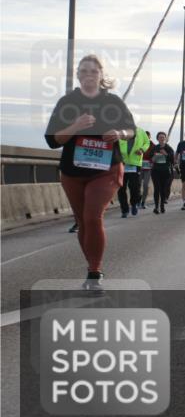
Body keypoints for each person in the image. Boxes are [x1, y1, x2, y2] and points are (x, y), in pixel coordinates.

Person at [44, 54, 136, 291]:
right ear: (77, 75)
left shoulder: (113, 102)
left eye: (93, 71)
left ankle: (95, 272)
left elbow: (131, 130)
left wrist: (119, 133)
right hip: (73, 172)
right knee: (82, 221)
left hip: (105, 170)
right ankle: (91, 266)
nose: (88, 75)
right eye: (83, 71)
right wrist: (75, 126)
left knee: (92, 216)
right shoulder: (67, 102)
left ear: (101, 75)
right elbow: (52, 140)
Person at [116, 124, 149, 218]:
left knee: (134, 187)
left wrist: (142, 150)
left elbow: (147, 143)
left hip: (135, 163)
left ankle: (134, 204)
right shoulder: (120, 131)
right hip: (122, 163)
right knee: (121, 188)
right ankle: (124, 209)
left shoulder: (141, 131)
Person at [149, 131, 174, 214]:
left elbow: (172, 159)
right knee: (157, 189)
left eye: (163, 137)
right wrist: (154, 157)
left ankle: (162, 206)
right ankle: (156, 207)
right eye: (160, 137)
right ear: (157, 139)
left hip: (165, 171)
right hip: (155, 171)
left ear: (165, 139)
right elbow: (150, 158)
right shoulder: (155, 148)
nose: (162, 139)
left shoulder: (169, 148)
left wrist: (166, 154)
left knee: (163, 189)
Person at [139, 130, 153, 209]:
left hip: (148, 168)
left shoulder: (153, 145)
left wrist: (152, 162)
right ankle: (138, 200)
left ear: (150, 137)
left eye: (148, 136)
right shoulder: (139, 144)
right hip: (139, 167)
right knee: (137, 185)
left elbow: (155, 155)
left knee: (146, 185)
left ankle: (143, 202)